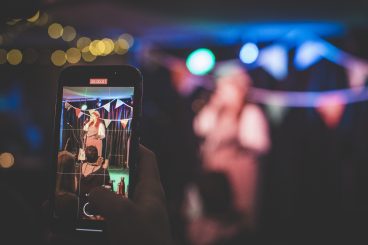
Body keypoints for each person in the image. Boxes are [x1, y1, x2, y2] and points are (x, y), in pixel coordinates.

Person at [193, 61, 270, 228]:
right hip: (213, 180)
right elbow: (200, 128)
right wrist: (213, 106)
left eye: (225, 86)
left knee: (234, 221)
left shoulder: (249, 112)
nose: (220, 91)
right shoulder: (216, 112)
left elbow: (258, 144)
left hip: (236, 179)